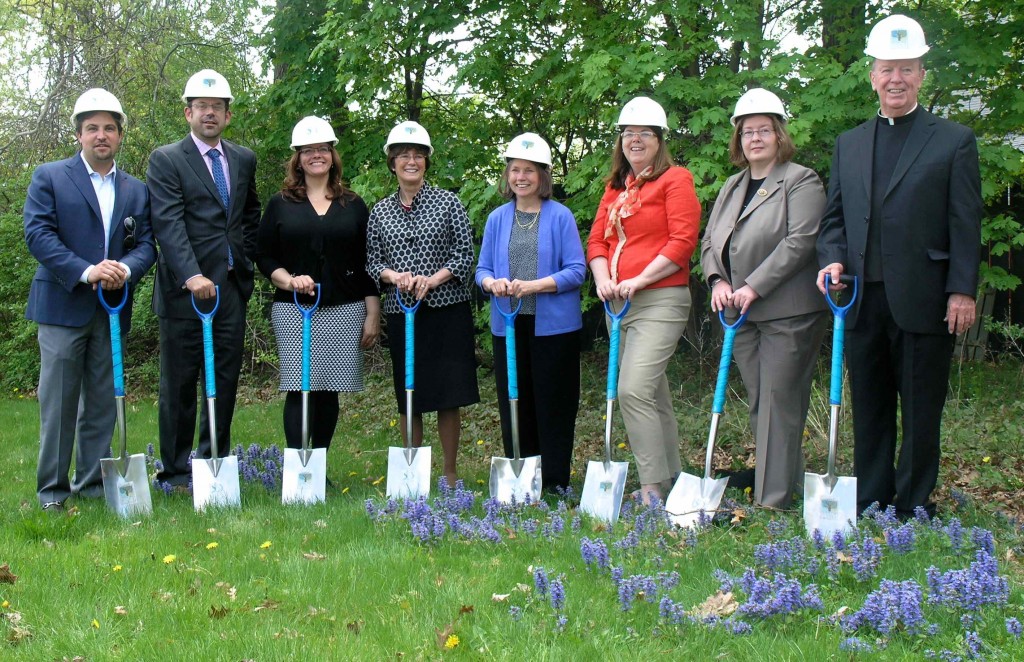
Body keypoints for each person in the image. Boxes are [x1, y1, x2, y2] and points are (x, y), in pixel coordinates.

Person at [816, 15, 982, 518]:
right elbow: (834, 220)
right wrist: (833, 259)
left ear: (921, 75)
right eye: (887, 69)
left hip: (927, 298)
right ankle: (871, 500)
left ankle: (913, 503)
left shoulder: (953, 140)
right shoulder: (849, 143)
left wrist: (962, 291)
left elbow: (965, 222)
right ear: (872, 75)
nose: (896, 79)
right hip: (862, 299)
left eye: (906, 69)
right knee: (870, 407)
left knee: (921, 408)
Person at [24, 88, 157, 510]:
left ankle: (93, 485)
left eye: (109, 129)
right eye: (92, 128)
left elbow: (148, 244)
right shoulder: (50, 176)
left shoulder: (136, 189)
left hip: (111, 310)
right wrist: (87, 271)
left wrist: (125, 270)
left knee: (101, 402)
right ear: (79, 135)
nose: (101, 136)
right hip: (63, 307)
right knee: (60, 404)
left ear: (120, 137)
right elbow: (39, 235)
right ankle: (52, 493)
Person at [700, 88, 828, 508]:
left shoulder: (800, 179)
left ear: (780, 136)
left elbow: (801, 241)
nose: (755, 138)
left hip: (786, 312)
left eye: (764, 131)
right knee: (764, 404)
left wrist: (753, 285)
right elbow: (709, 241)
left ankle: (770, 505)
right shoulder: (733, 185)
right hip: (740, 314)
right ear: (738, 140)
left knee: (778, 403)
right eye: (747, 132)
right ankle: (786, 489)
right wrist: (718, 280)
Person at [147, 69, 261, 488]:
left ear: (228, 116)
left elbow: (250, 214)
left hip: (229, 288)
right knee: (179, 383)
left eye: (217, 108)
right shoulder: (166, 159)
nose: (209, 113)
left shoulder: (243, 158)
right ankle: (176, 471)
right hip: (185, 293)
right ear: (188, 113)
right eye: (201, 107)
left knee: (225, 379)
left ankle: (215, 463)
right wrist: (192, 274)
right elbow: (168, 222)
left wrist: (242, 258)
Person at [587, 97, 701, 505]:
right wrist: (603, 279)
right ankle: (672, 478)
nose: (635, 140)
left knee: (632, 390)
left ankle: (651, 486)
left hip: (661, 298)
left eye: (644, 134)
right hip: (620, 304)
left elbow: (682, 242)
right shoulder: (616, 188)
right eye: (628, 134)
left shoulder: (676, 180)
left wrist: (639, 279)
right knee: (652, 394)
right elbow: (598, 239)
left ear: (659, 140)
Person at [256, 116, 380, 452]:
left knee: (328, 389)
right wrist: (289, 280)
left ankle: (320, 463)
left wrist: (372, 312)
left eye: (323, 149)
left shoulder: (352, 204)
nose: (316, 155)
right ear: (297, 158)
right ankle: (298, 466)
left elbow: (367, 260)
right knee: (299, 386)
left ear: (332, 155)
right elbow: (263, 255)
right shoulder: (280, 203)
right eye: (308, 150)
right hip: (294, 310)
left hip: (345, 309)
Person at [366, 120, 479, 487]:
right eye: (403, 156)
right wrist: (393, 277)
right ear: (392, 163)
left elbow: (464, 254)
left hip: (446, 310)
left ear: (427, 162)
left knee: (449, 394)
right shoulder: (379, 212)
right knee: (408, 393)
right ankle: (413, 471)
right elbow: (372, 262)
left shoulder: (449, 203)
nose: (410, 161)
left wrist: (433, 279)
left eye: (417, 155)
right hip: (403, 313)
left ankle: (449, 471)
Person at [476, 133, 586, 492]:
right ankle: (522, 477)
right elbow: (482, 271)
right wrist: (492, 284)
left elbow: (576, 270)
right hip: (508, 324)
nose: (520, 177)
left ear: (543, 175)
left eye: (529, 171)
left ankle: (554, 480)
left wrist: (534, 285)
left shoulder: (560, 216)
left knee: (554, 402)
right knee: (514, 399)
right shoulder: (497, 218)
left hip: (554, 328)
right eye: (514, 170)